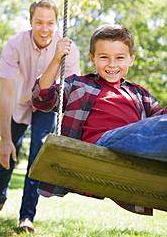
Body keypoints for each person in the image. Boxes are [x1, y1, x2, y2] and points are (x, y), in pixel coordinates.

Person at [32, 24, 167, 212]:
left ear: (131, 59)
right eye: (104, 57)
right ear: (92, 58)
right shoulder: (79, 84)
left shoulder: (140, 95)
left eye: (120, 58)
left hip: (138, 150)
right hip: (103, 144)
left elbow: (160, 121)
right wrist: (56, 59)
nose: (112, 64)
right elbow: (41, 99)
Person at [0, 0, 80, 232]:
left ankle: (26, 216)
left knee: (36, 158)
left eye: (50, 23)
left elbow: (73, 93)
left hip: (47, 105)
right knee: (7, 152)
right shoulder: (14, 45)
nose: (45, 29)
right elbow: (5, 94)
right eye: (39, 22)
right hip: (20, 102)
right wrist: (4, 139)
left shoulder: (67, 49)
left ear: (57, 23)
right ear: (30, 21)